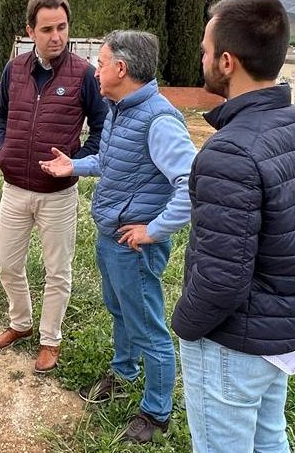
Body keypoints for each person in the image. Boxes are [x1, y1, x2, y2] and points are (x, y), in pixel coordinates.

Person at [172, 0, 295, 453]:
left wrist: (184, 324)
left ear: (227, 62)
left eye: (205, 50)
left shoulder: (230, 152)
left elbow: (221, 278)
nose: (201, 58)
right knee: (269, 439)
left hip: (234, 344)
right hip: (282, 334)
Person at [40, 30, 196, 444]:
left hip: (134, 245)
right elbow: (110, 161)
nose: (96, 69)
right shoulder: (118, 109)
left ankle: (157, 411)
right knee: (120, 309)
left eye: (101, 62)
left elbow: (191, 183)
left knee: (148, 327)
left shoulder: (159, 120)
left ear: (121, 69)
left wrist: (155, 230)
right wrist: (72, 166)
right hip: (112, 236)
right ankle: (124, 373)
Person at [0, 0, 107, 373]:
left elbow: (103, 129)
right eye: (47, 29)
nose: (56, 36)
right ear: (30, 31)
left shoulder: (84, 74)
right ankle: (20, 324)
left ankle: (50, 340)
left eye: (62, 27)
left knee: (57, 271)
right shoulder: (15, 68)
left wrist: (76, 163)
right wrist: (2, 149)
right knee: (8, 263)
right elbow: (0, 116)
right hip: (15, 189)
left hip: (58, 195)